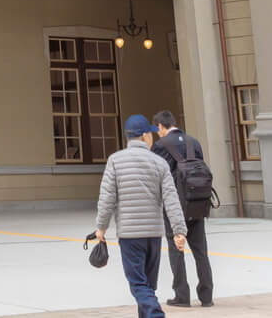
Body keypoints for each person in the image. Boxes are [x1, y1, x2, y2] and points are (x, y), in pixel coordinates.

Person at [85, 115, 188, 318]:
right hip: (153, 235)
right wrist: (179, 231)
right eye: (150, 134)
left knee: (139, 284)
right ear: (144, 136)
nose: (152, 137)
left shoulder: (115, 161)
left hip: (130, 235)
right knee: (148, 285)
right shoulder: (159, 163)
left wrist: (101, 228)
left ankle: (155, 314)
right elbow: (171, 199)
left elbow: (107, 198)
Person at [150, 111, 215, 308]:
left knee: (176, 248)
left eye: (157, 129)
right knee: (200, 250)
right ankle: (206, 296)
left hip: (175, 205)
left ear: (161, 126)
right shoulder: (193, 141)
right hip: (197, 202)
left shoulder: (160, 146)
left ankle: (182, 295)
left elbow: (157, 175)